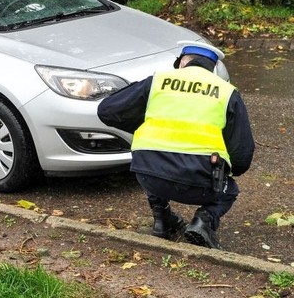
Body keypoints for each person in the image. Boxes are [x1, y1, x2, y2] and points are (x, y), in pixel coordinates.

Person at [97, 41, 254, 250]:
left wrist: (143, 126)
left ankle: (162, 220)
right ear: (213, 68)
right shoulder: (226, 93)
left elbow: (106, 110)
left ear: (181, 63)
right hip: (199, 183)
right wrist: (225, 171)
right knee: (230, 190)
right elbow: (242, 156)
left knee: (155, 163)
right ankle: (203, 221)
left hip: (149, 176)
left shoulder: (158, 81)